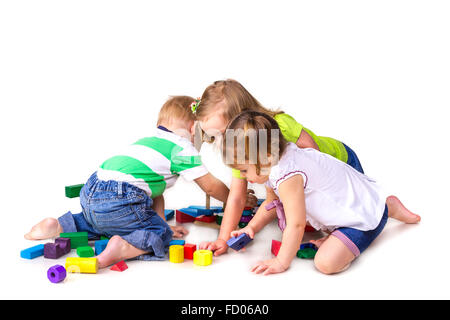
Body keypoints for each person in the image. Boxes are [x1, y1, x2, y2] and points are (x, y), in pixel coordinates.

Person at [24, 96, 234, 268]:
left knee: (99, 223)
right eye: (205, 136)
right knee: (159, 235)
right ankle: (122, 248)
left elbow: (155, 194)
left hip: (92, 190)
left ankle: (58, 225)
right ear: (193, 128)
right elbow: (210, 186)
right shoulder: (182, 148)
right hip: (122, 197)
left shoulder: (148, 141)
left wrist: (160, 220)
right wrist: (233, 198)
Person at [223, 111, 420, 275]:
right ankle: (383, 207)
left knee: (325, 263)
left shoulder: (287, 174)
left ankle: (383, 210)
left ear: (265, 158)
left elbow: (296, 224)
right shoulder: (273, 162)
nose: (242, 176)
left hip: (356, 216)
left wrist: (282, 262)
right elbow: (272, 204)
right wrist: (251, 227)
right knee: (318, 227)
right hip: (345, 206)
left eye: (243, 170)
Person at [196, 79, 364, 255]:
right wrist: (223, 239)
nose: (220, 142)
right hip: (309, 183)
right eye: (214, 136)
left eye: (223, 133)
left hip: (341, 164)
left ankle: (342, 231)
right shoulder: (242, 151)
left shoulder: (279, 126)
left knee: (334, 213)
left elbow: (313, 153)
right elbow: (237, 196)